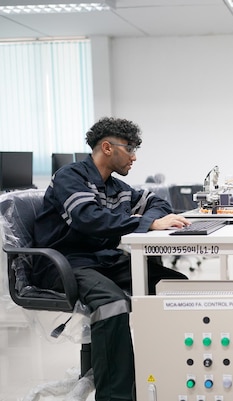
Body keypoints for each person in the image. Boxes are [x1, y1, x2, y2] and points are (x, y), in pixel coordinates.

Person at [33, 117, 190, 401]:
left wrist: (147, 220)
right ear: (107, 147)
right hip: (65, 263)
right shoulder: (69, 177)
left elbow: (159, 204)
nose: (134, 156)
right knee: (112, 302)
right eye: (129, 148)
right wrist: (147, 224)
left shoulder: (117, 187)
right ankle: (116, 396)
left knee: (174, 284)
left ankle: (168, 370)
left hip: (102, 259)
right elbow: (88, 218)